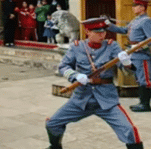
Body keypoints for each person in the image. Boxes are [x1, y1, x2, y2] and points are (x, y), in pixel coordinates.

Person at [46, 18, 143, 149]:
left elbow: (128, 72)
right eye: (97, 32)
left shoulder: (112, 45)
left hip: (106, 100)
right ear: (87, 32)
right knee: (52, 124)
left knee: (129, 130)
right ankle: (55, 147)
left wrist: (127, 64)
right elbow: (63, 67)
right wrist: (75, 76)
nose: (102, 35)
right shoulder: (77, 47)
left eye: (103, 32)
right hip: (81, 99)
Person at [107, 0, 151, 112]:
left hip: (142, 54)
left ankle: (146, 105)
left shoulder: (146, 21)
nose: (133, 7)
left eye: (135, 5)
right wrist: (108, 25)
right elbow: (124, 30)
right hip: (133, 53)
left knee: (145, 79)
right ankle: (141, 102)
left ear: (142, 7)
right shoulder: (135, 20)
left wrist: (140, 46)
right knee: (139, 79)